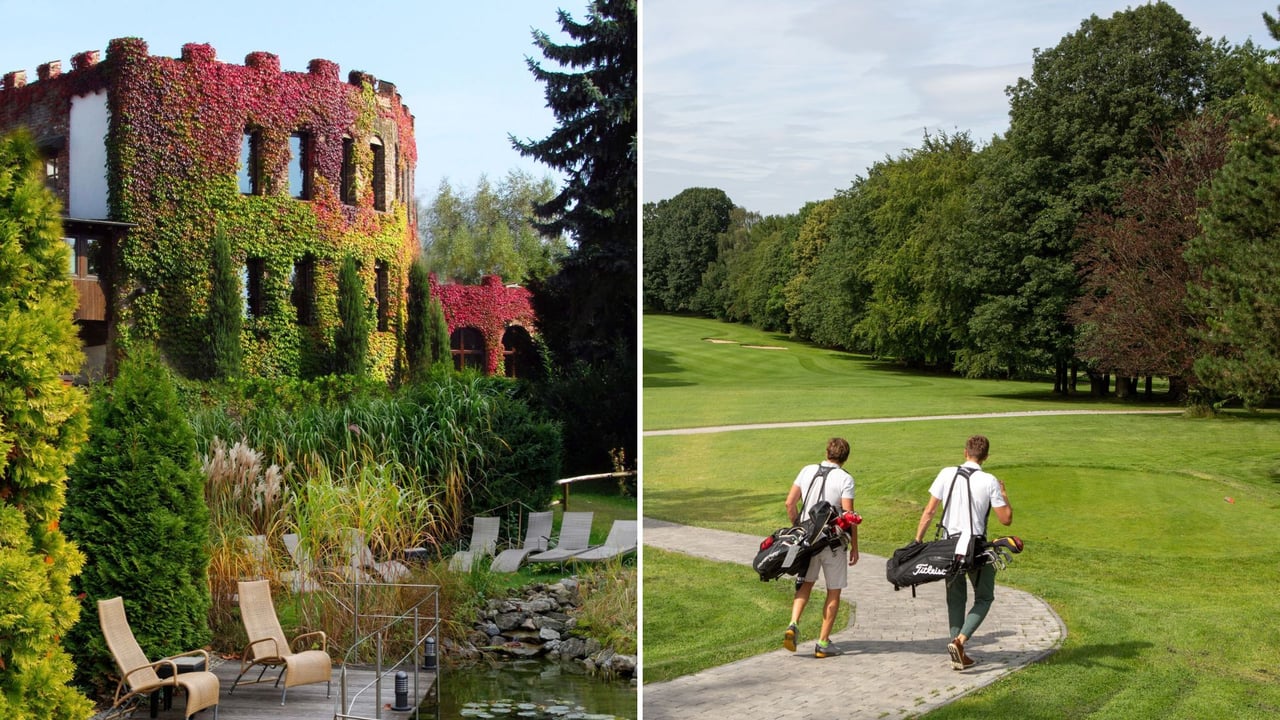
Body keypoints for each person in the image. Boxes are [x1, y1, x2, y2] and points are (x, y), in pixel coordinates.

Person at [912, 434, 1012, 670]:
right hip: (975, 548)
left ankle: (957, 648)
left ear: (965, 452)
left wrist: (917, 540)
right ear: (985, 456)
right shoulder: (989, 481)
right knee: (984, 597)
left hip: (949, 547)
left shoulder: (947, 473)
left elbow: (929, 511)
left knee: (955, 599)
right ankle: (960, 641)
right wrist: (1005, 496)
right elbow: (1005, 519)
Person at [782, 437, 859, 658]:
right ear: (845, 457)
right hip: (832, 543)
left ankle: (793, 623)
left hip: (807, 540)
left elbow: (789, 503)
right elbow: (848, 517)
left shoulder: (807, 470)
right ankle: (823, 643)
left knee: (805, 584)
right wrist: (854, 545)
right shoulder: (845, 478)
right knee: (833, 590)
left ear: (827, 452)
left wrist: (797, 527)